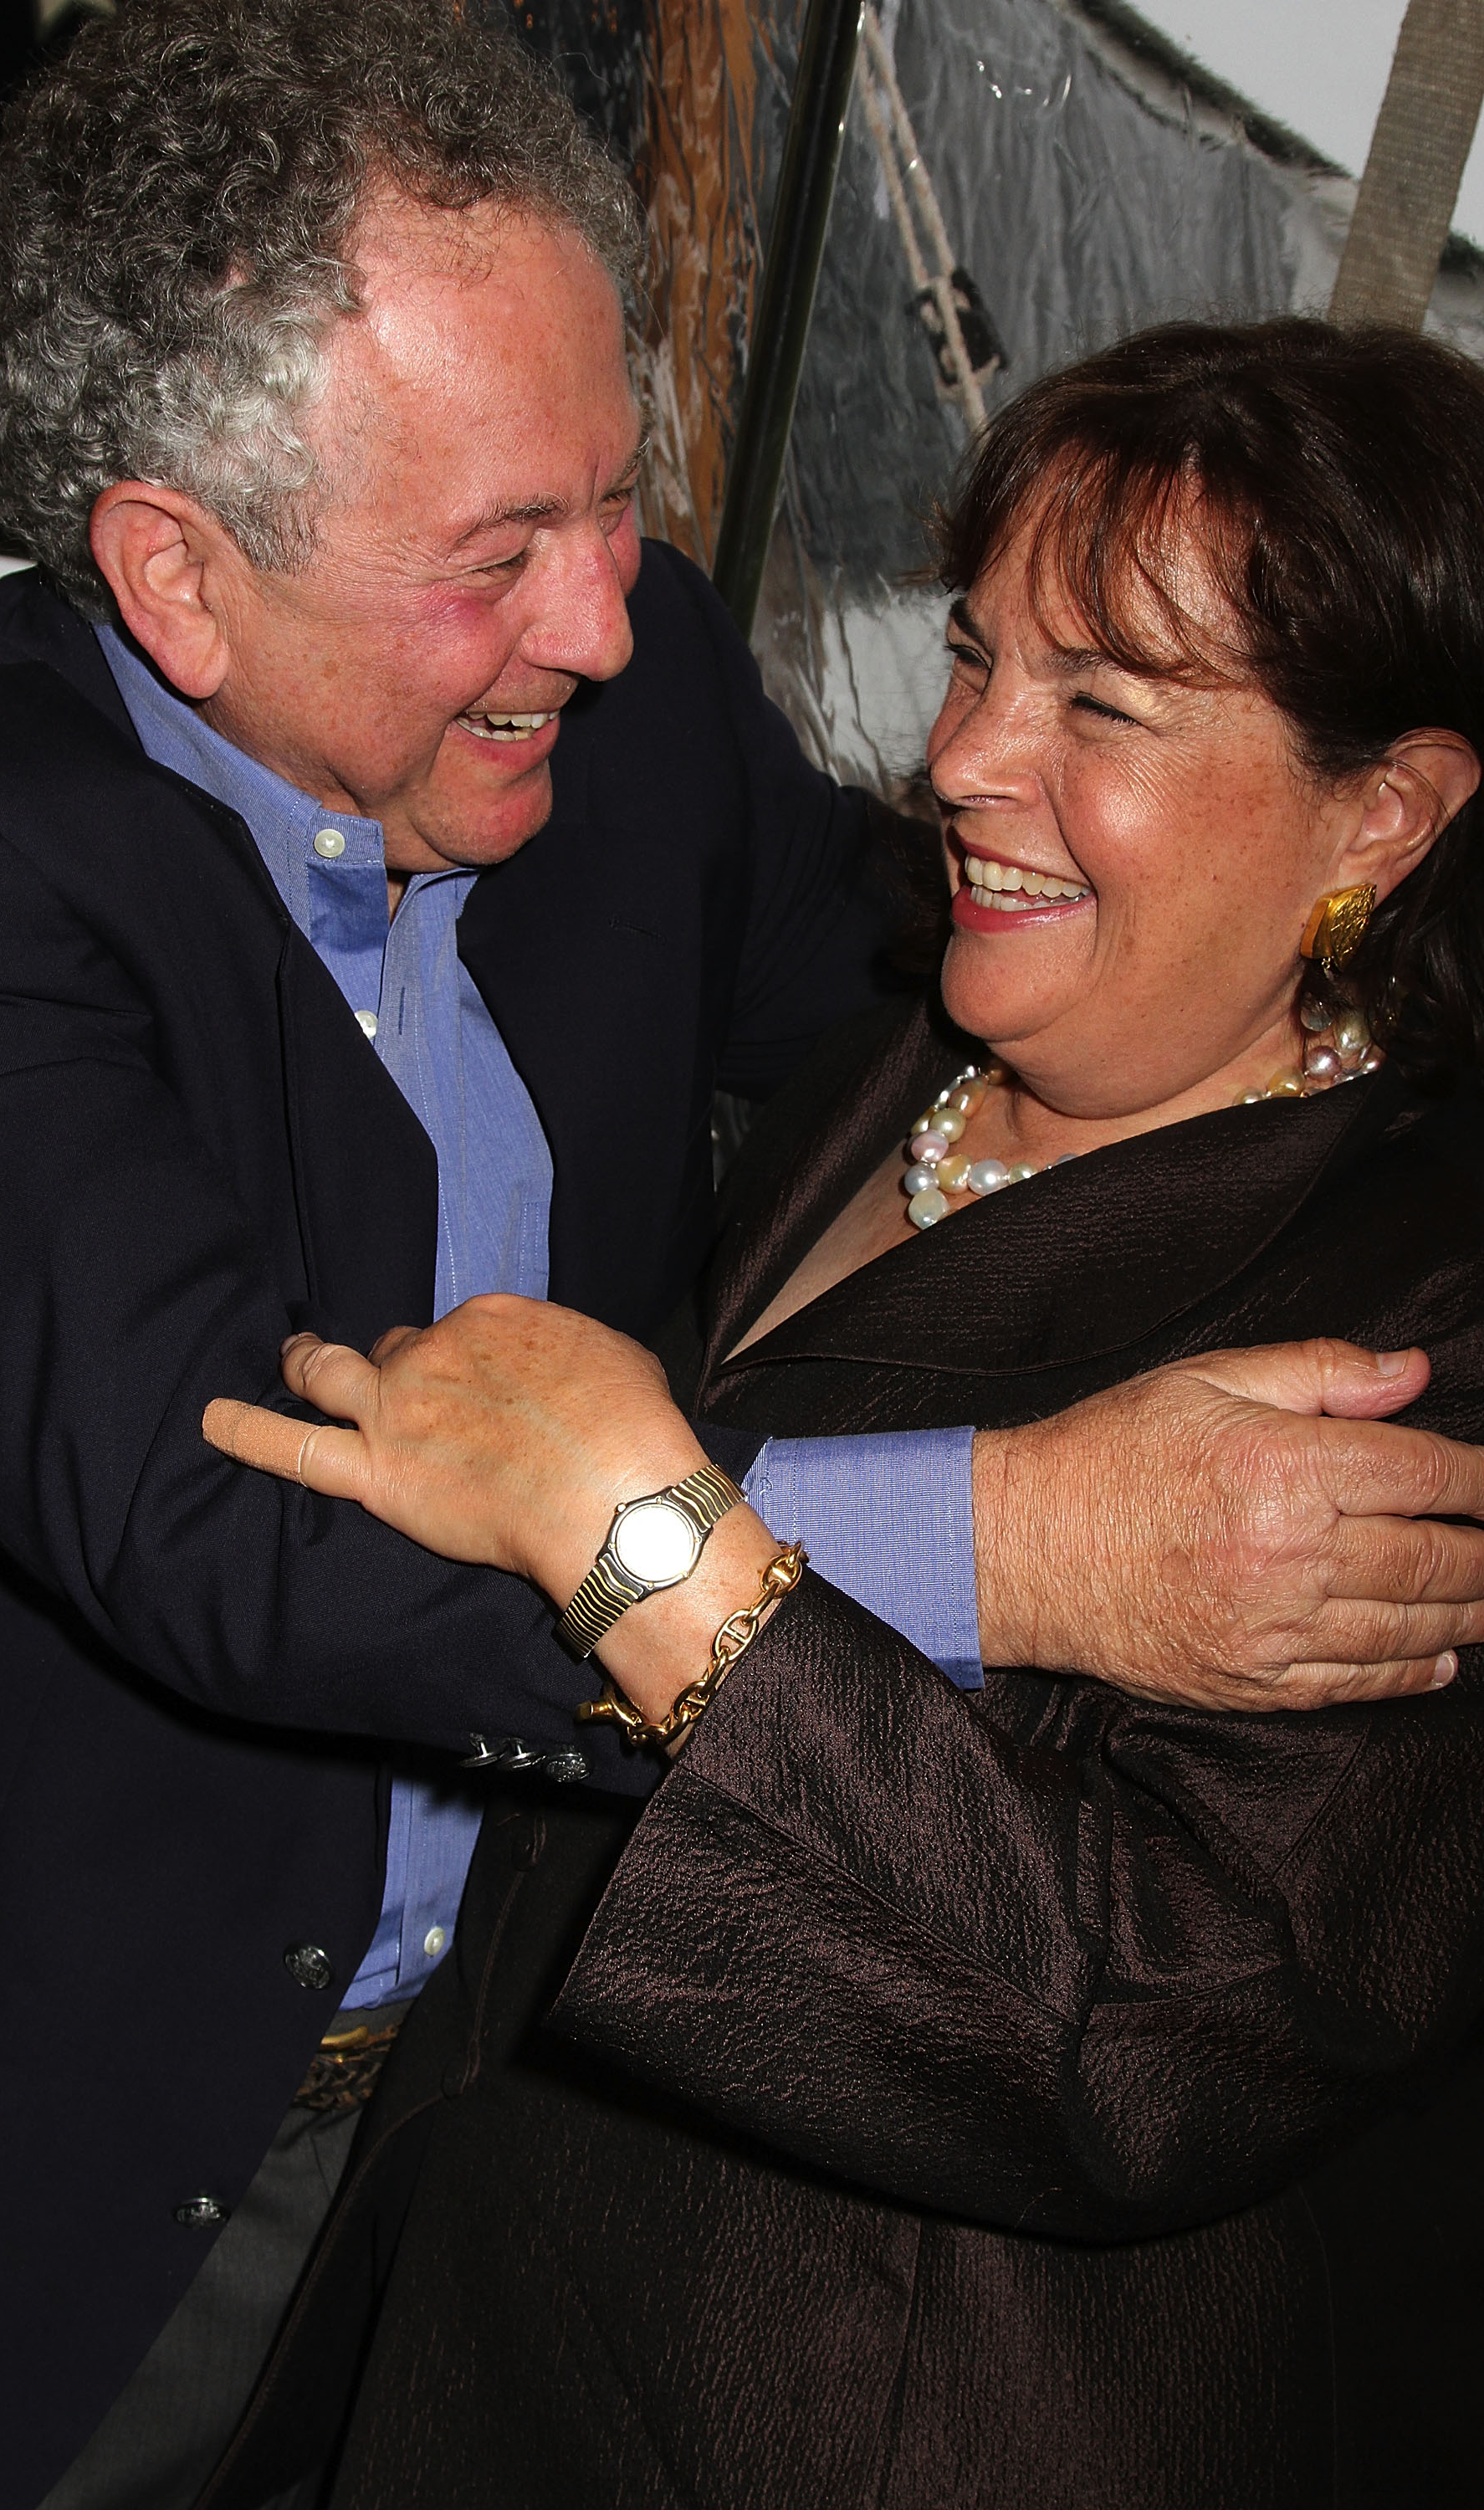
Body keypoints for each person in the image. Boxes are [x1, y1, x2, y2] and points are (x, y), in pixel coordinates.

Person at [209, 319, 1484, 2509]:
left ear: (1384, 808)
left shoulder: (1424, 1321)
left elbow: (1148, 2033)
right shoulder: (922, 1049)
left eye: (1102, 704)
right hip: (491, 2295)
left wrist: (650, 1545)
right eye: (978, 656)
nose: (970, 758)